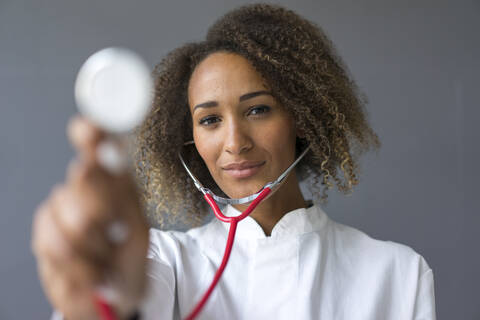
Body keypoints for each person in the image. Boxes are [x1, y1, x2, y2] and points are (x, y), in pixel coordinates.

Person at [31, 3, 436, 320]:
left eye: (258, 110)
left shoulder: (398, 274)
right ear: (190, 139)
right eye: (209, 120)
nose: (234, 143)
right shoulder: (165, 261)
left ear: (301, 116)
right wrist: (104, 298)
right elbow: (126, 297)